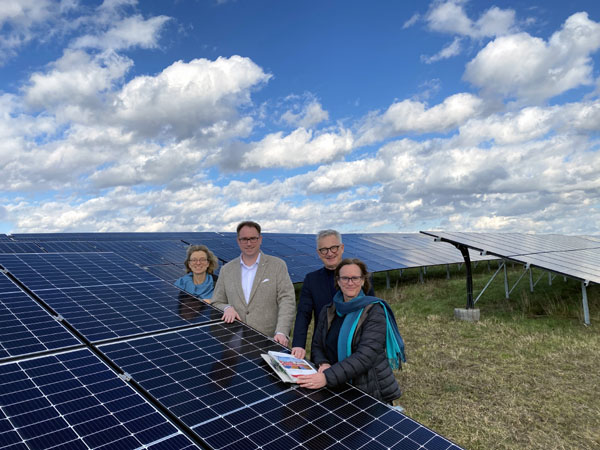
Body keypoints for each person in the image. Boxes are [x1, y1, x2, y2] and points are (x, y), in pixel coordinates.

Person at [296, 258, 404, 405]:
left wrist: (327, 377)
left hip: (367, 390)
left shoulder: (374, 311)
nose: (350, 282)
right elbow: (317, 345)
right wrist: (323, 362)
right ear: (338, 281)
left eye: (355, 278)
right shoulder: (328, 310)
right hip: (336, 386)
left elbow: (365, 356)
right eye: (345, 278)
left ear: (363, 281)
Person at [291, 230, 374, 360]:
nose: (329, 253)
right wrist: (298, 345)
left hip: (355, 348)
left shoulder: (359, 277)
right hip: (323, 351)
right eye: (324, 249)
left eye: (333, 248)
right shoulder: (311, 280)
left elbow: (371, 310)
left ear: (342, 248)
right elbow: (303, 314)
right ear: (319, 253)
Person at [211, 221, 296, 346]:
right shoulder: (227, 270)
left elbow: (287, 300)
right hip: (235, 341)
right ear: (238, 241)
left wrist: (282, 332)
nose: (249, 243)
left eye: (253, 238)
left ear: (260, 239)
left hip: (270, 339)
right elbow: (216, 302)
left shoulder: (277, 265)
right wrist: (227, 308)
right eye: (244, 239)